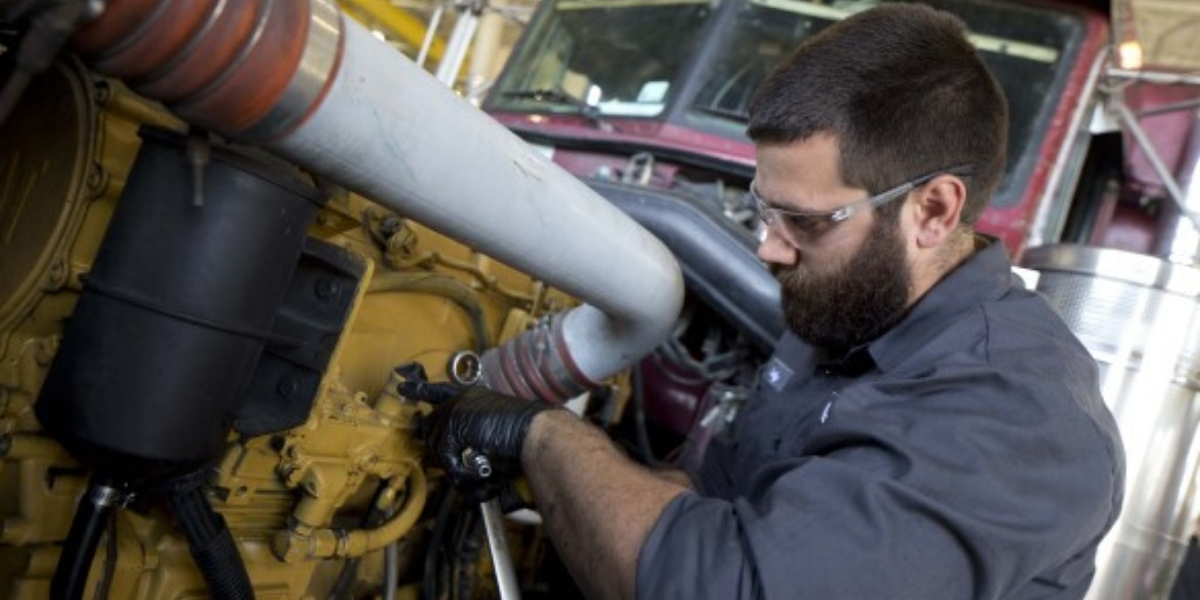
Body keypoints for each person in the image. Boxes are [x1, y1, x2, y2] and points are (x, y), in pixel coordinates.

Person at [407, 4, 1125, 600]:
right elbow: (710, 493)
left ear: (934, 211)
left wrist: (543, 436)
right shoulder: (845, 315)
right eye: (764, 210)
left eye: (807, 223)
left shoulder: (1018, 421)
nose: (769, 250)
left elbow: (724, 586)